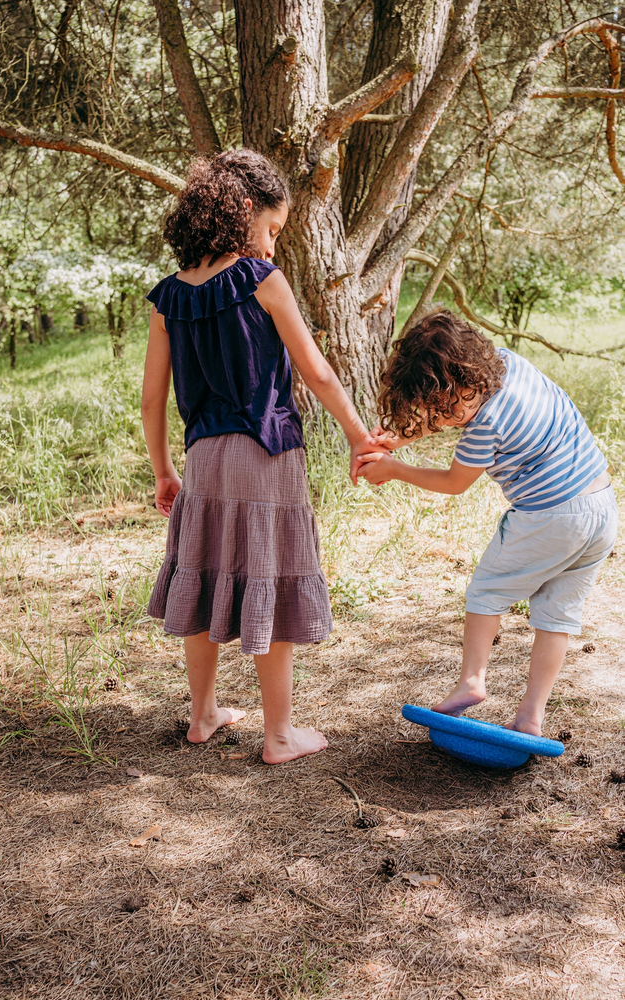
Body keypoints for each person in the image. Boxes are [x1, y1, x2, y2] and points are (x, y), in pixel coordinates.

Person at [141, 149, 378, 764]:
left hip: (203, 458)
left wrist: (164, 470)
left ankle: (202, 714)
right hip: (266, 453)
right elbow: (318, 372)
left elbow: (151, 401)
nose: (272, 248)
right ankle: (278, 736)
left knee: (201, 574)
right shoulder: (260, 280)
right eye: (272, 230)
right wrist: (357, 436)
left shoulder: (167, 297)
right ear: (245, 210)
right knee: (267, 576)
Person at [356, 308, 617, 736]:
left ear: (466, 375)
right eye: (436, 409)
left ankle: (472, 681)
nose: (449, 416)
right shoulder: (507, 362)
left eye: (449, 404)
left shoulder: (485, 426)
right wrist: (402, 436)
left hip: (550, 515)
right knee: (556, 617)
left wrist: (395, 467)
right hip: (601, 508)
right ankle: (531, 716)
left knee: (486, 592)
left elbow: (456, 482)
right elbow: (456, 412)